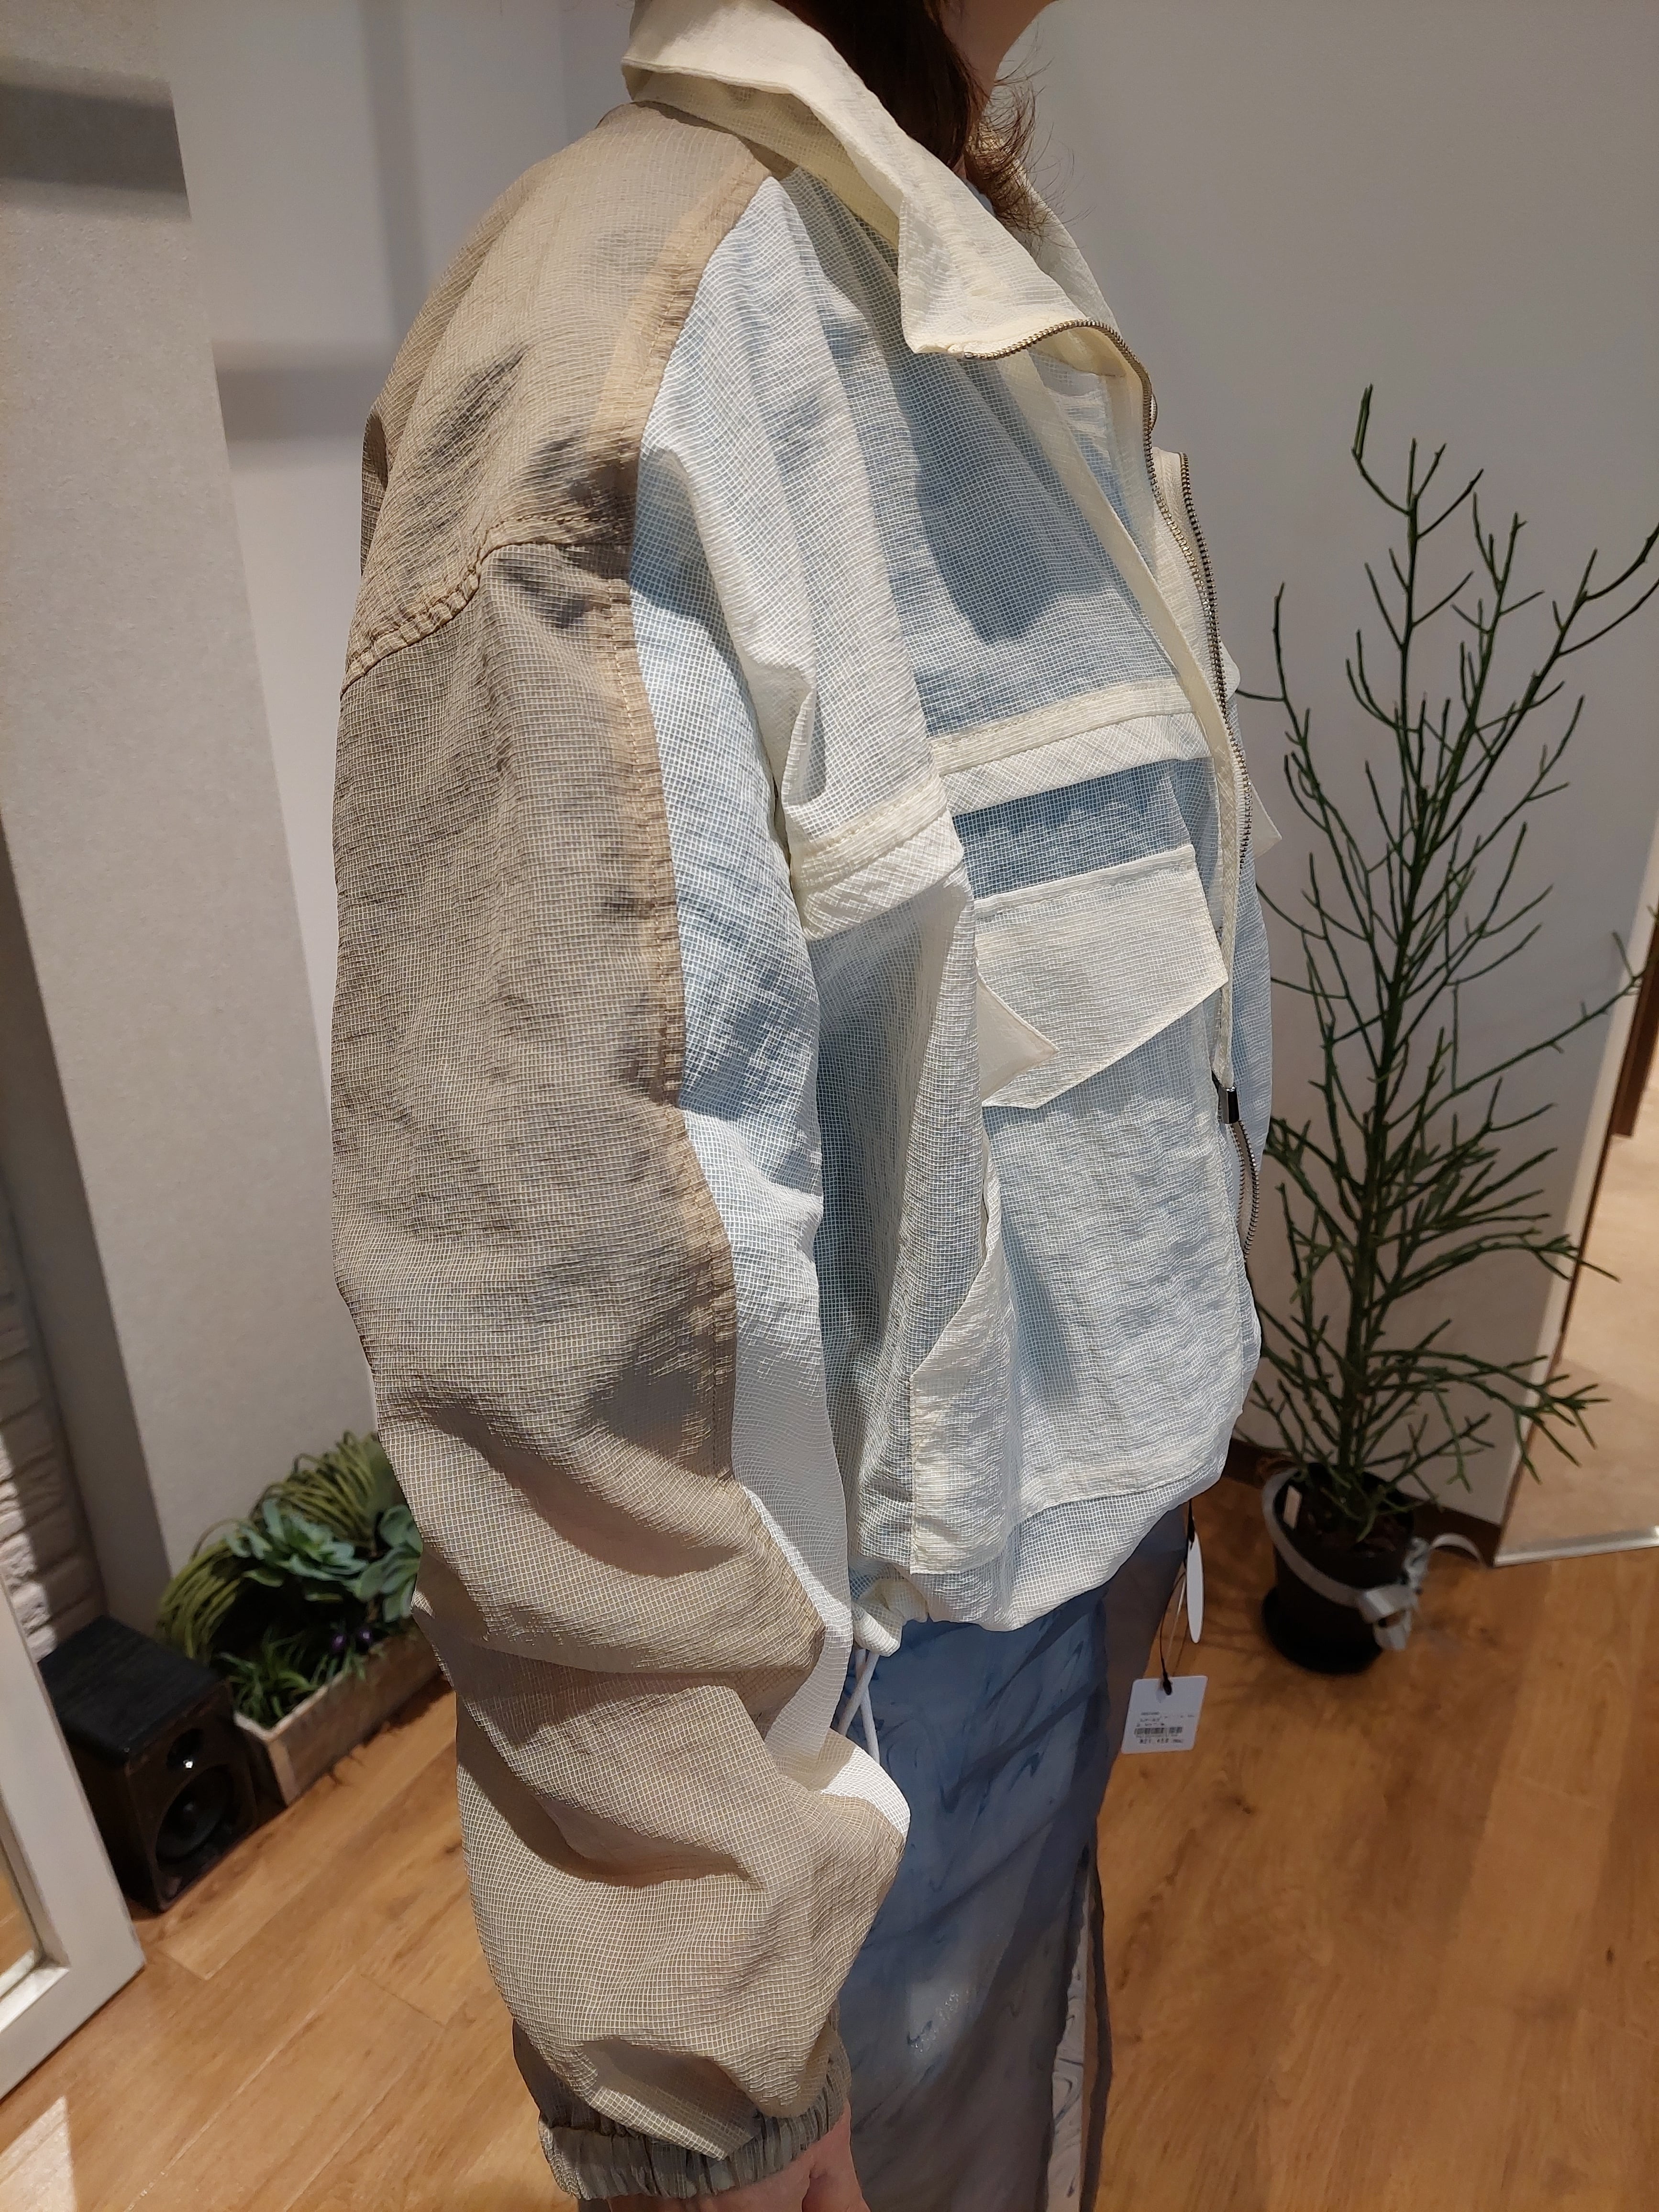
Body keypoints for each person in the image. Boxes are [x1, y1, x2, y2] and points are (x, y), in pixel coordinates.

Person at [331, 0, 1271, 2206]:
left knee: (1018, 2113)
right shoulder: (636, 338)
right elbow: (565, 1307)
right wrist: (713, 2066)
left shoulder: (964, 276)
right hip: (872, 1714)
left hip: (1040, 1614)